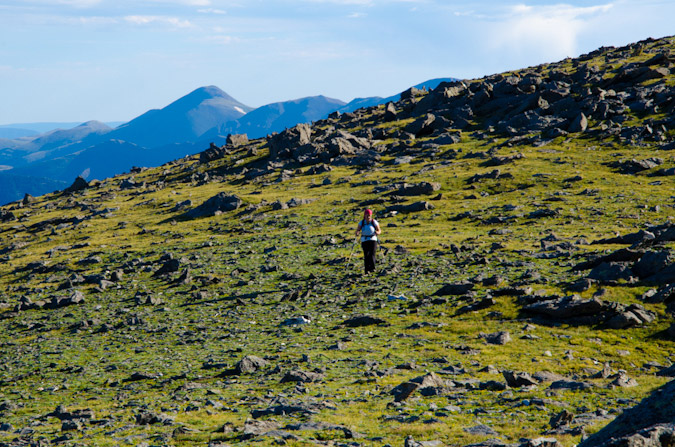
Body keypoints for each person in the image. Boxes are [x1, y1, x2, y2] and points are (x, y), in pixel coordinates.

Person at [355, 209, 381, 274]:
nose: (368, 217)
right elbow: (358, 229)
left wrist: (377, 232)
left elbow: (379, 230)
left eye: (369, 215)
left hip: (373, 239)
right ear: (364, 215)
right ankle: (367, 270)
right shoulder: (362, 222)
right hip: (364, 240)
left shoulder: (374, 222)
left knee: (372, 253)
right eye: (367, 215)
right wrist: (357, 232)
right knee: (366, 254)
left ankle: (372, 268)